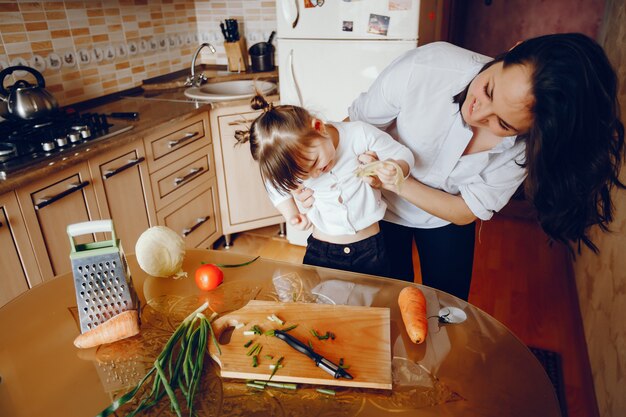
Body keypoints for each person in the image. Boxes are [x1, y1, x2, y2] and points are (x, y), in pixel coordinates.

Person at [296, 33, 625, 301]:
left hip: (444, 216)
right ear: (514, 49)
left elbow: (464, 210)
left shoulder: (526, 147)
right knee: (386, 300)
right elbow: (353, 128)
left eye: (503, 124)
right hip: (377, 209)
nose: (478, 113)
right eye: (489, 90)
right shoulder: (426, 68)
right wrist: (315, 181)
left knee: (448, 310)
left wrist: (399, 180)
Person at [235, 94, 415, 277]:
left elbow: (403, 154)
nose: (315, 174)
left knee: (374, 303)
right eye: (304, 175)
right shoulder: (298, 162)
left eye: (314, 163)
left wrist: (396, 168)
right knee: (321, 304)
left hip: (370, 250)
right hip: (322, 251)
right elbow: (273, 184)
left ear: (319, 127)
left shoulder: (359, 134)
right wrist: (291, 214)